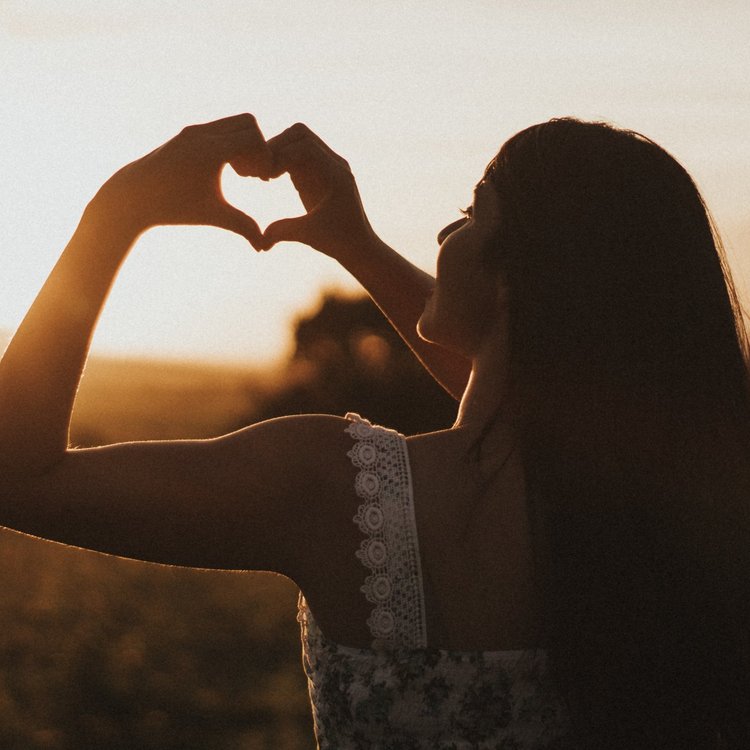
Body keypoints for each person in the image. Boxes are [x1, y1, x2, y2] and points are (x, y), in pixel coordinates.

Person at [0, 112, 748, 749]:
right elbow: (550, 398)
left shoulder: (335, 492)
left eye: (472, 209)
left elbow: (16, 474)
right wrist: (355, 242)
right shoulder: (691, 511)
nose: (445, 228)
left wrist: (122, 204)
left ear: (518, 274)